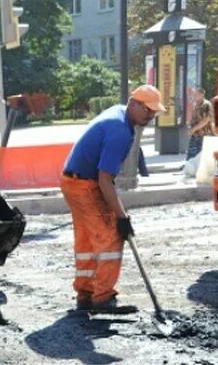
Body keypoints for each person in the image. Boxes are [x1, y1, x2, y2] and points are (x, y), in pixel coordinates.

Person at [61, 85, 164, 314]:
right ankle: (103, 298)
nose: (151, 116)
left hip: (72, 181)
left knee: (87, 240)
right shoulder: (120, 130)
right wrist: (121, 218)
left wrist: (119, 213)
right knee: (111, 237)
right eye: (148, 110)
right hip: (85, 184)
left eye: (154, 112)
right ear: (133, 104)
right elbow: (105, 179)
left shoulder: (118, 114)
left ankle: (86, 294)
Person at [186, 88, 215, 161]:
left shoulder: (206, 105)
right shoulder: (196, 105)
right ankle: (190, 167)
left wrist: (193, 129)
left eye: (196, 94)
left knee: (200, 156)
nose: (194, 96)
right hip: (196, 134)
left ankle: (196, 169)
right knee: (192, 155)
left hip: (203, 135)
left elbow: (205, 120)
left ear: (201, 95)